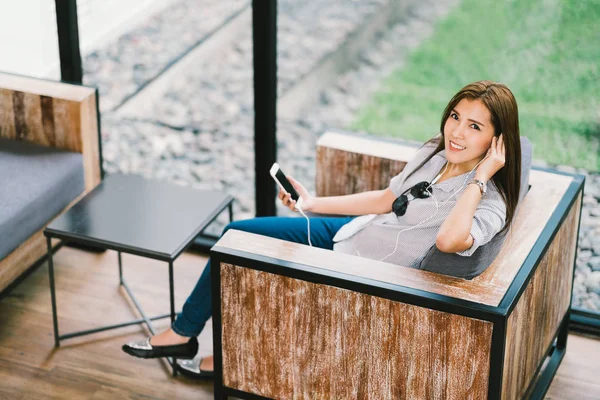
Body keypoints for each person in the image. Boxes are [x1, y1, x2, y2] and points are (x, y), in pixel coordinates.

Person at [122, 80, 522, 378]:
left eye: (474, 127)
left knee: (249, 263)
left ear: (496, 140)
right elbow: (386, 199)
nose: (456, 132)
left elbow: (448, 240)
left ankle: (225, 360)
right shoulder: (436, 152)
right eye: (456, 117)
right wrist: (311, 204)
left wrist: (481, 176)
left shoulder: (489, 202)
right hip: (354, 233)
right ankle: (183, 333)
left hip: (363, 270)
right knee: (236, 235)